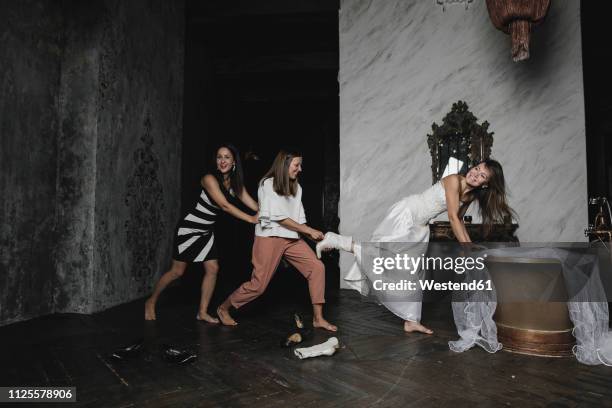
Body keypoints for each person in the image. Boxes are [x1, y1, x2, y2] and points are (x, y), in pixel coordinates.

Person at [316, 159, 514, 334]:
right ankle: (336, 240)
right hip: (407, 213)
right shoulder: (455, 180)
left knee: (413, 272)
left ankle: (411, 321)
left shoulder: (470, 196)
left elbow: (459, 220)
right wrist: (468, 249)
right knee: (381, 254)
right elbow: (452, 217)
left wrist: (469, 246)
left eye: (482, 175)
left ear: (486, 184)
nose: (475, 174)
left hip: (420, 227)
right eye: (477, 168)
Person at [216, 149, 338, 332]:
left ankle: (318, 318)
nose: (300, 169)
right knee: (258, 286)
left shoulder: (297, 188)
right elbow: (279, 217)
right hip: (269, 238)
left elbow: (300, 221)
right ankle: (223, 308)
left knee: (317, 267)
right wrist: (308, 231)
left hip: (291, 239)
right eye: (297, 165)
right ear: (285, 165)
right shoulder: (268, 184)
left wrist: (318, 241)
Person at [145, 144, 259, 322]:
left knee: (213, 269)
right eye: (219, 157)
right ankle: (151, 301)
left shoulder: (235, 183)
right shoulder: (209, 179)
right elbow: (224, 205)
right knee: (177, 272)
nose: (222, 161)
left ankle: (203, 312)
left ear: (234, 161)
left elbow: (252, 204)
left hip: (206, 231)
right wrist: (251, 219)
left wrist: (269, 214)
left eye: (227, 157)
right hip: (189, 229)